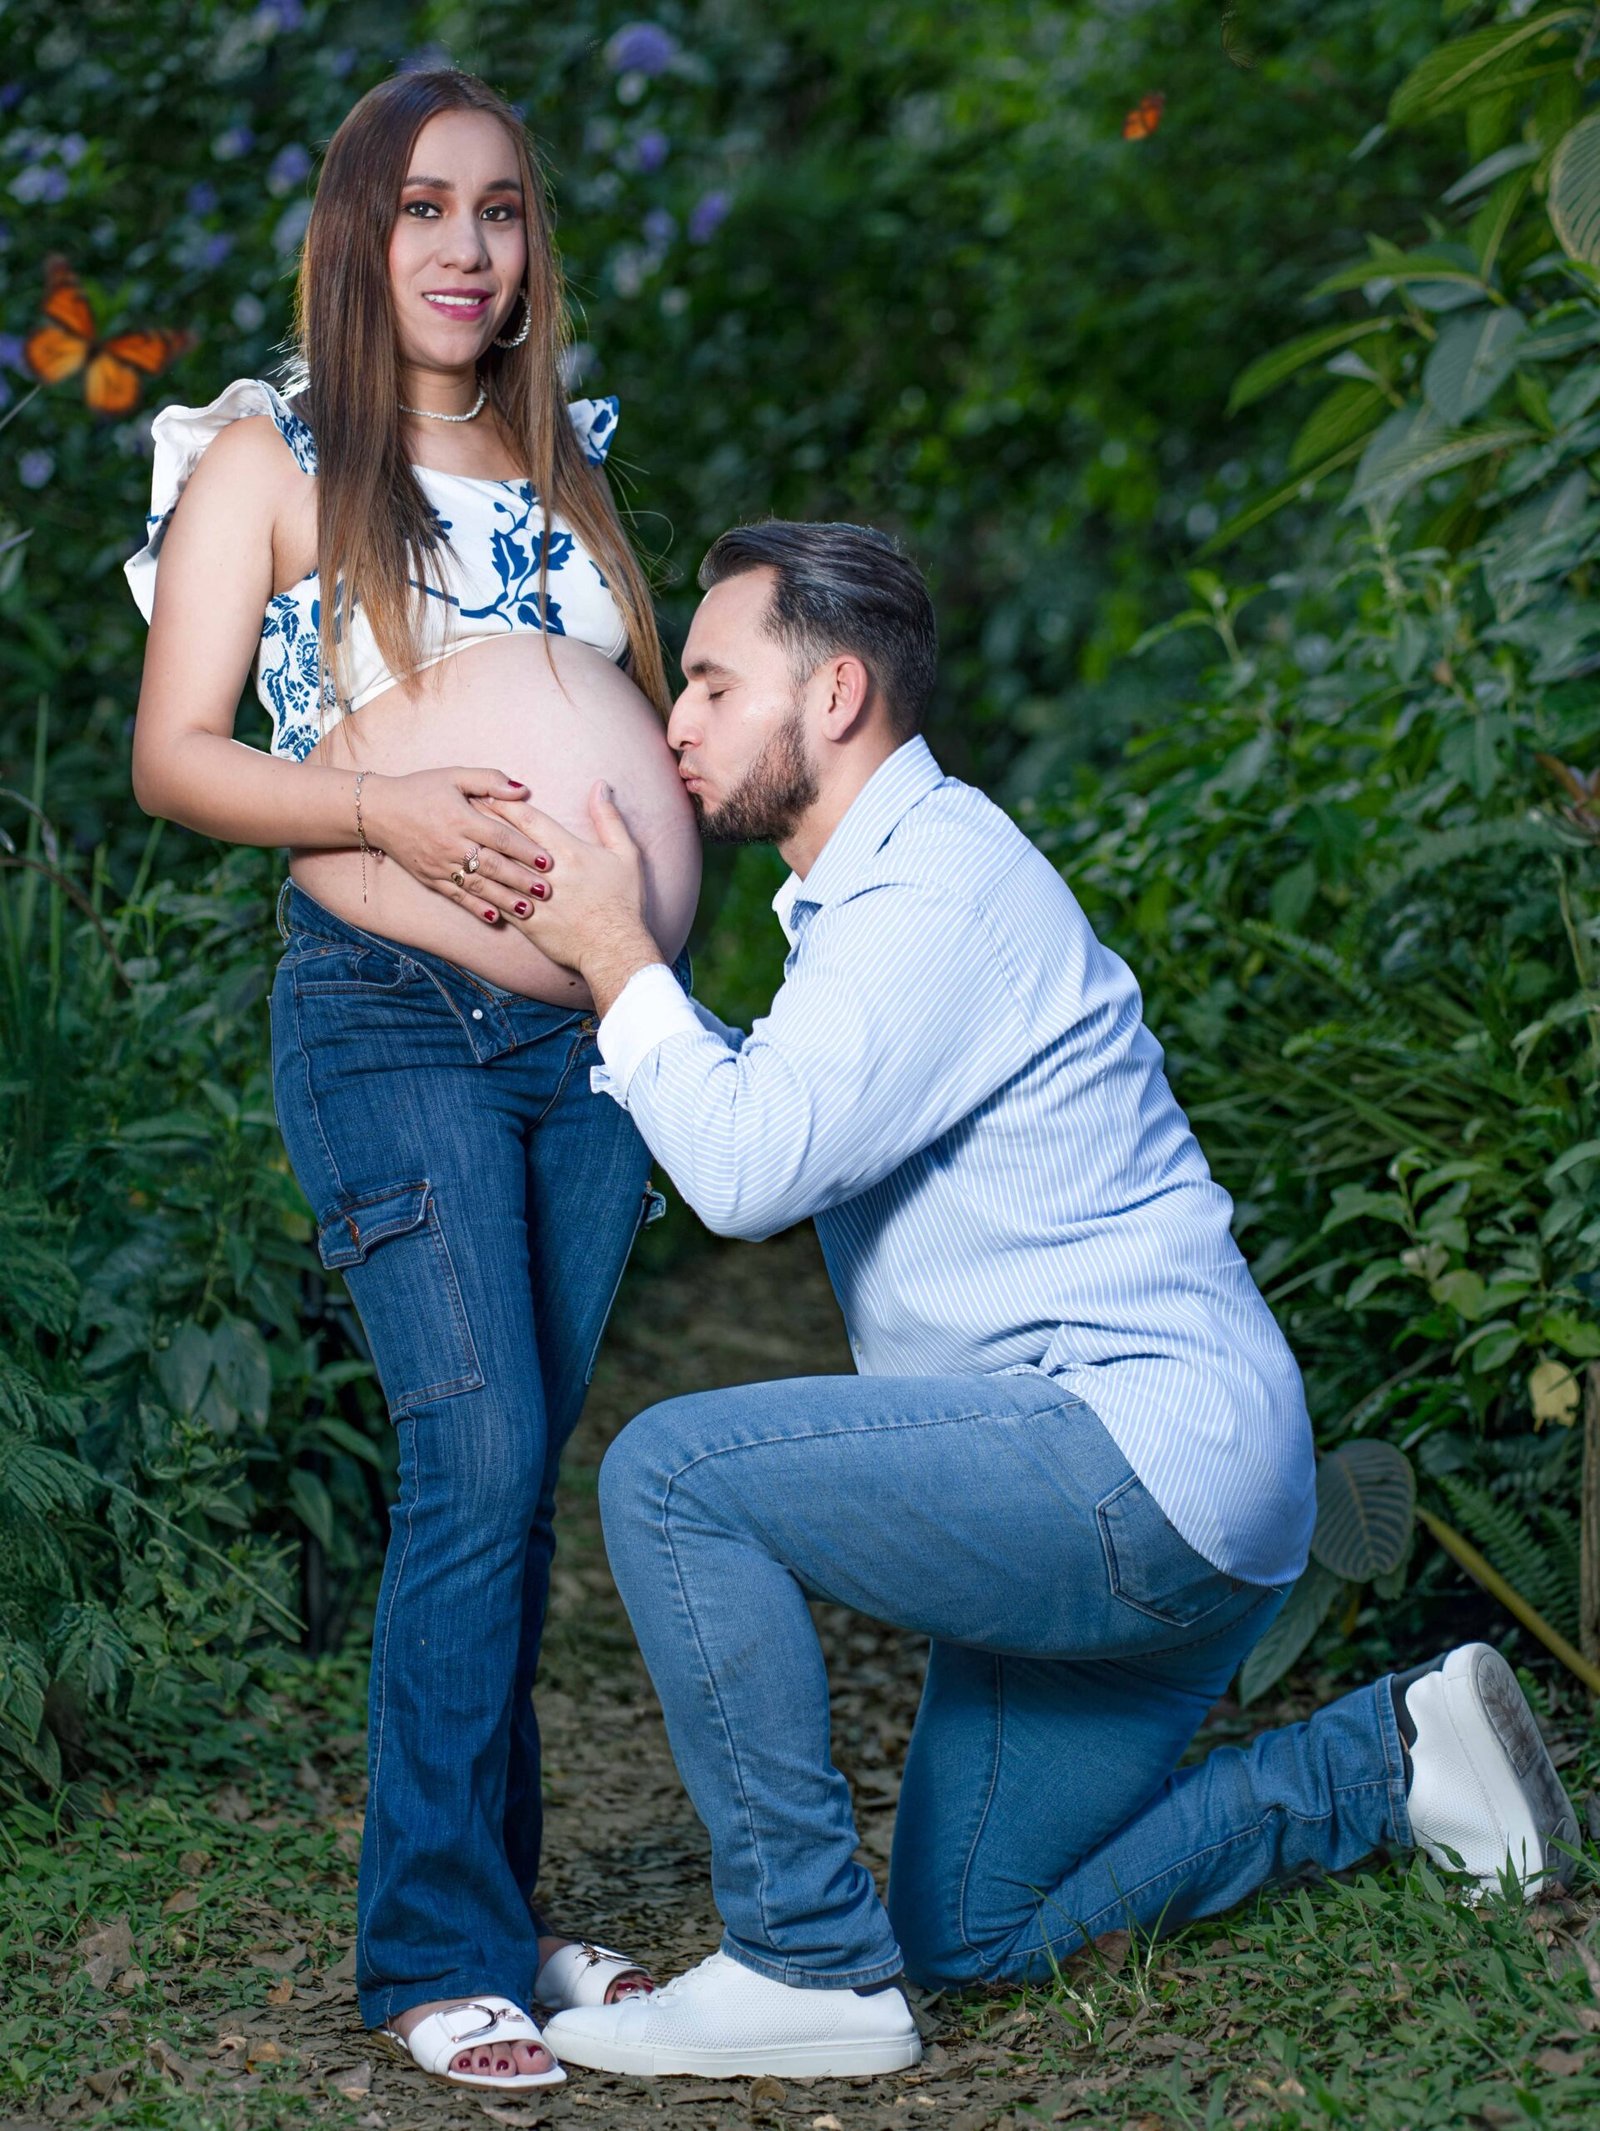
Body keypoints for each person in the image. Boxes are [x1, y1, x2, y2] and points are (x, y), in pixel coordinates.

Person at [464, 519, 1577, 2080]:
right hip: (1158, 1491)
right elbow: (759, 1105)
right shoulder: (882, 902)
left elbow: (743, 1169)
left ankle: (794, 1962)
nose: (676, 724)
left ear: (836, 693)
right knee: (972, 1931)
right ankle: (1390, 1759)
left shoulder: (939, 896)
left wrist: (607, 956)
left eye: (713, 684)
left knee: (674, 1478)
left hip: (1129, 1462)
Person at [125, 68, 702, 2092]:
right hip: (390, 1011)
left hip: (592, 1042)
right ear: (359, 234)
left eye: (506, 213)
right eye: (426, 209)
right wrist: (382, 799)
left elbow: (627, 712)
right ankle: (430, 1945)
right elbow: (177, 753)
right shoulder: (268, 456)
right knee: (471, 1460)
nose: (469, 248)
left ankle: (496, 1910)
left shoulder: (559, 459)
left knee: (516, 1468)